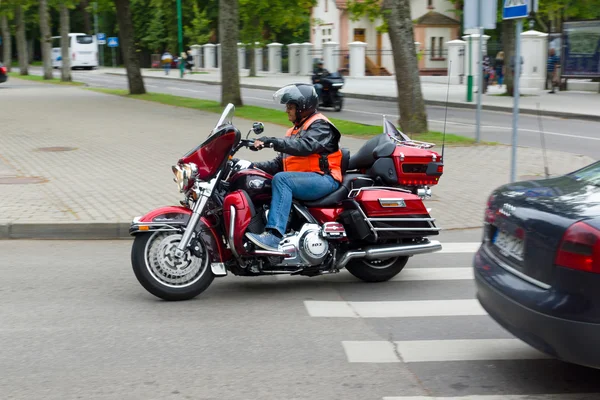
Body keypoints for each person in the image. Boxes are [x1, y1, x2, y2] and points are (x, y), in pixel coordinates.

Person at [245, 83, 342, 251]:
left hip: (325, 179)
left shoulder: (321, 125)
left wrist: (271, 142)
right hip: (304, 179)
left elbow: (305, 146)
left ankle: (274, 236)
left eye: (290, 106)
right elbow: (279, 164)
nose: (286, 110)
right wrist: (250, 165)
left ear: (302, 107)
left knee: (282, 180)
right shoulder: (293, 131)